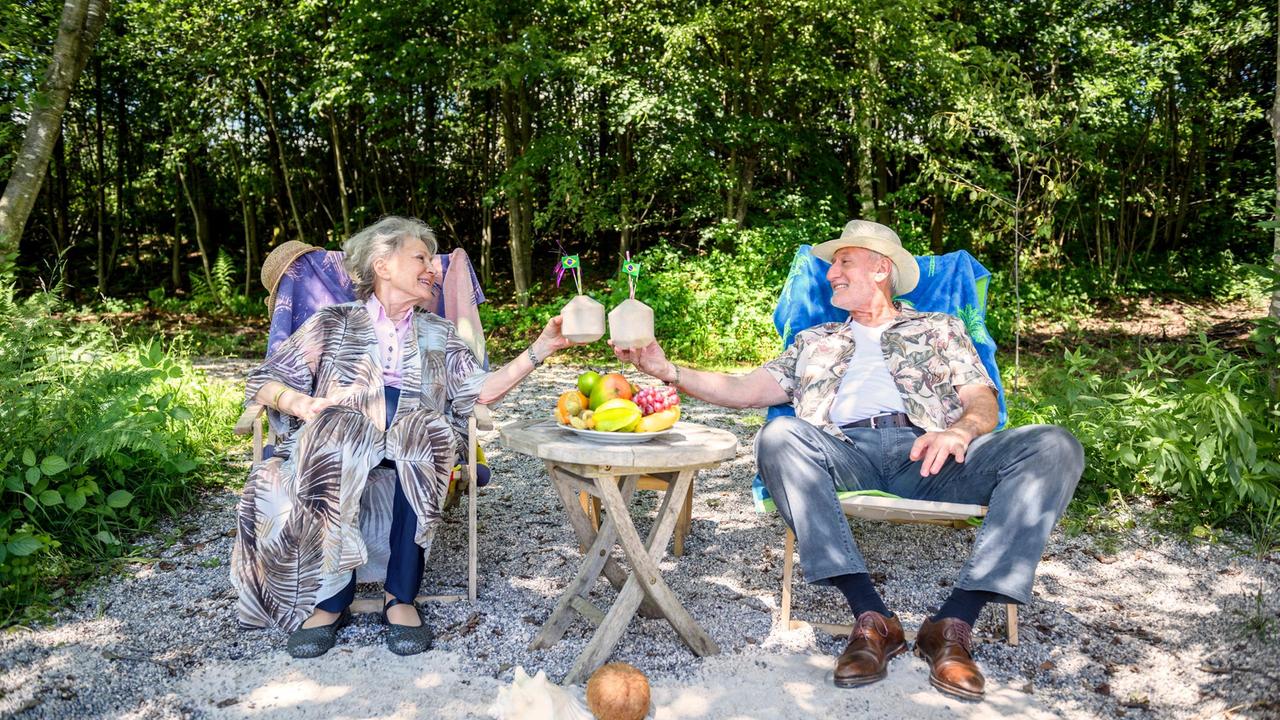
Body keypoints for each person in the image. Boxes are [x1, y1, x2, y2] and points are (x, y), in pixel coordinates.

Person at [613, 220, 1083, 701]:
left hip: (932, 455)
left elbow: (982, 401)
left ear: (881, 269)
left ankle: (954, 623)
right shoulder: (815, 340)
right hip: (844, 453)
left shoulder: (940, 328)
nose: (831, 273)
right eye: (832, 264)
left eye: (844, 262)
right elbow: (742, 390)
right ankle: (873, 619)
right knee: (778, 436)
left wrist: (959, 431)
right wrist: (667, 370)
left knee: (1054, 446)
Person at [231, 216, 578, 658]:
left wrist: (541, 348)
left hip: (412, 431)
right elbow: (263, 381)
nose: (432, 267)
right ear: (383, 264)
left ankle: (400, 597)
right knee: (341, 429)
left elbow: (481, 390)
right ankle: (331, 599)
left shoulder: (439, 332)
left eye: (433, 260)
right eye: (420, 257)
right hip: (341, 430)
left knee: (427, 430)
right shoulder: (332, 322)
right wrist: (300, 404)